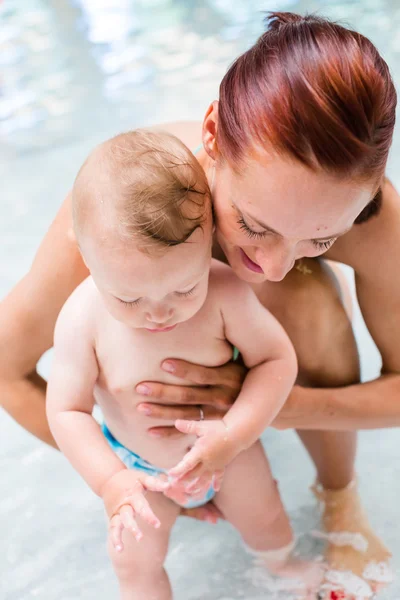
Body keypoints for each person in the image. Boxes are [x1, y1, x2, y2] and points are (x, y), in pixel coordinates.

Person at [1, 11, 397, 599]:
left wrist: (266, 409)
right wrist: (132, 473)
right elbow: (7, 371)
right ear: (212, 135)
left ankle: (338, 494)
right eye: (253, 224)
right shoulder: (124, 217)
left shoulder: (374, 221)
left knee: (307, 292)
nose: (276, 263)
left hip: (267, 382)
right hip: (156, 455)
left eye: (320, 239)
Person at [46, 129, 323, 600]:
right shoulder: (80, 318)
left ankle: (285, 566)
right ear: (85, 255)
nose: (158, 312)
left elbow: (276, 360)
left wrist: (233, 434)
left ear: (210, 239)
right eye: (128, 296)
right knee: (133, 564)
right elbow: (66, 411)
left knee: (268, 522)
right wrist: (112, 482)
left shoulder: (226, 293)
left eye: (183, 288)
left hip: (228, 453)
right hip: (137, 470)